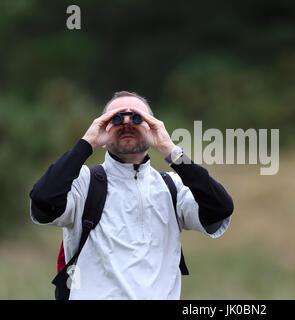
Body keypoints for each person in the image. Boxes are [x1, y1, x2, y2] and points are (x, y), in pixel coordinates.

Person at [29, 91, 234, 299]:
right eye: (115, 119)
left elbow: (220, 208)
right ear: (103, 126)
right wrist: (87, 143)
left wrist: (170, 150)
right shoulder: (83, 183)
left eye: (138, 118)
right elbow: (44, 200)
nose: (127, 124)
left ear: (153, 125)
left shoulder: (172, 187)